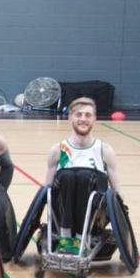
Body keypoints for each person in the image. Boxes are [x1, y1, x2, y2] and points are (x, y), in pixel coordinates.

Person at [43, 97, 120, 254]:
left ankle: (81, 238)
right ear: (70, 117)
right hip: (63, 210)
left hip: (95, 216)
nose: (83, 119)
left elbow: (116, 193)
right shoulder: (57, 150)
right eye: (78, 115)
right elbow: (47, 192)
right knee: (67, 176)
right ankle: (65, 237)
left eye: (87, 115)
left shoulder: (104, 150)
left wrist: (121, 217)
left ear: (94, 119)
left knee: (86, 176)